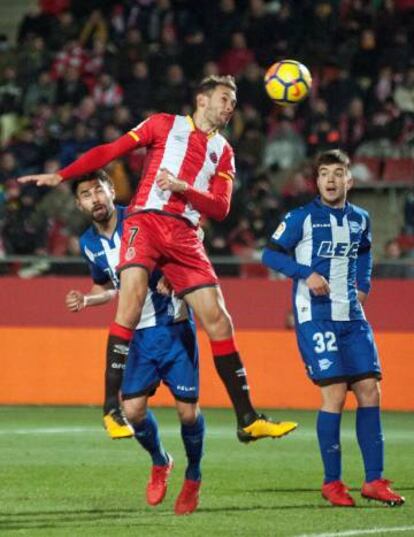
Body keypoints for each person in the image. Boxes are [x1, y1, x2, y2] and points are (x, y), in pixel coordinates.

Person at [18, 75, 297, 442]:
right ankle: (110, 408)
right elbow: (112, 150)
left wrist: (184, 188)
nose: (231, 106)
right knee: (130, 304)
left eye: (233, 101)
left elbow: (222, 207)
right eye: (225, 98)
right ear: (202, 99)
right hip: (145, 221)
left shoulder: (224, 151)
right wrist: (62, 174)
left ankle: (247, 418)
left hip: (184, 234)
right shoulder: (163, 124)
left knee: (219, 321)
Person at [262, 149, 405, 507]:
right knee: (336, 394)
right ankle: (332, 482)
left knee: (370, 390)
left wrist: (364, 286)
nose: (330, 180)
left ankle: (374, 480)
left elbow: (365, 253)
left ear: (349, 180)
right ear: (317, 181)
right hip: (316, 316)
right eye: (324, 173)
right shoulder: (302, 218)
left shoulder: (361, 218)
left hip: (352, 316)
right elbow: (270, 254)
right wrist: (304, 273)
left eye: (338, 173)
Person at [66, 170, 204, 515]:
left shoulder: (143, 216)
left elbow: (193, 233)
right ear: (79, 203)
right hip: (135, 334)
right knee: (132, 410)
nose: (95, 199)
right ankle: (161, 461)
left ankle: (194, 475)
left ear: (112, 190)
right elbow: (107, 285)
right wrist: (88, 299)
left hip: (173, 326)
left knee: (188, 413)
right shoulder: (89, 243)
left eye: (99, 190)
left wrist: (175, 278)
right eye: (86, 195)